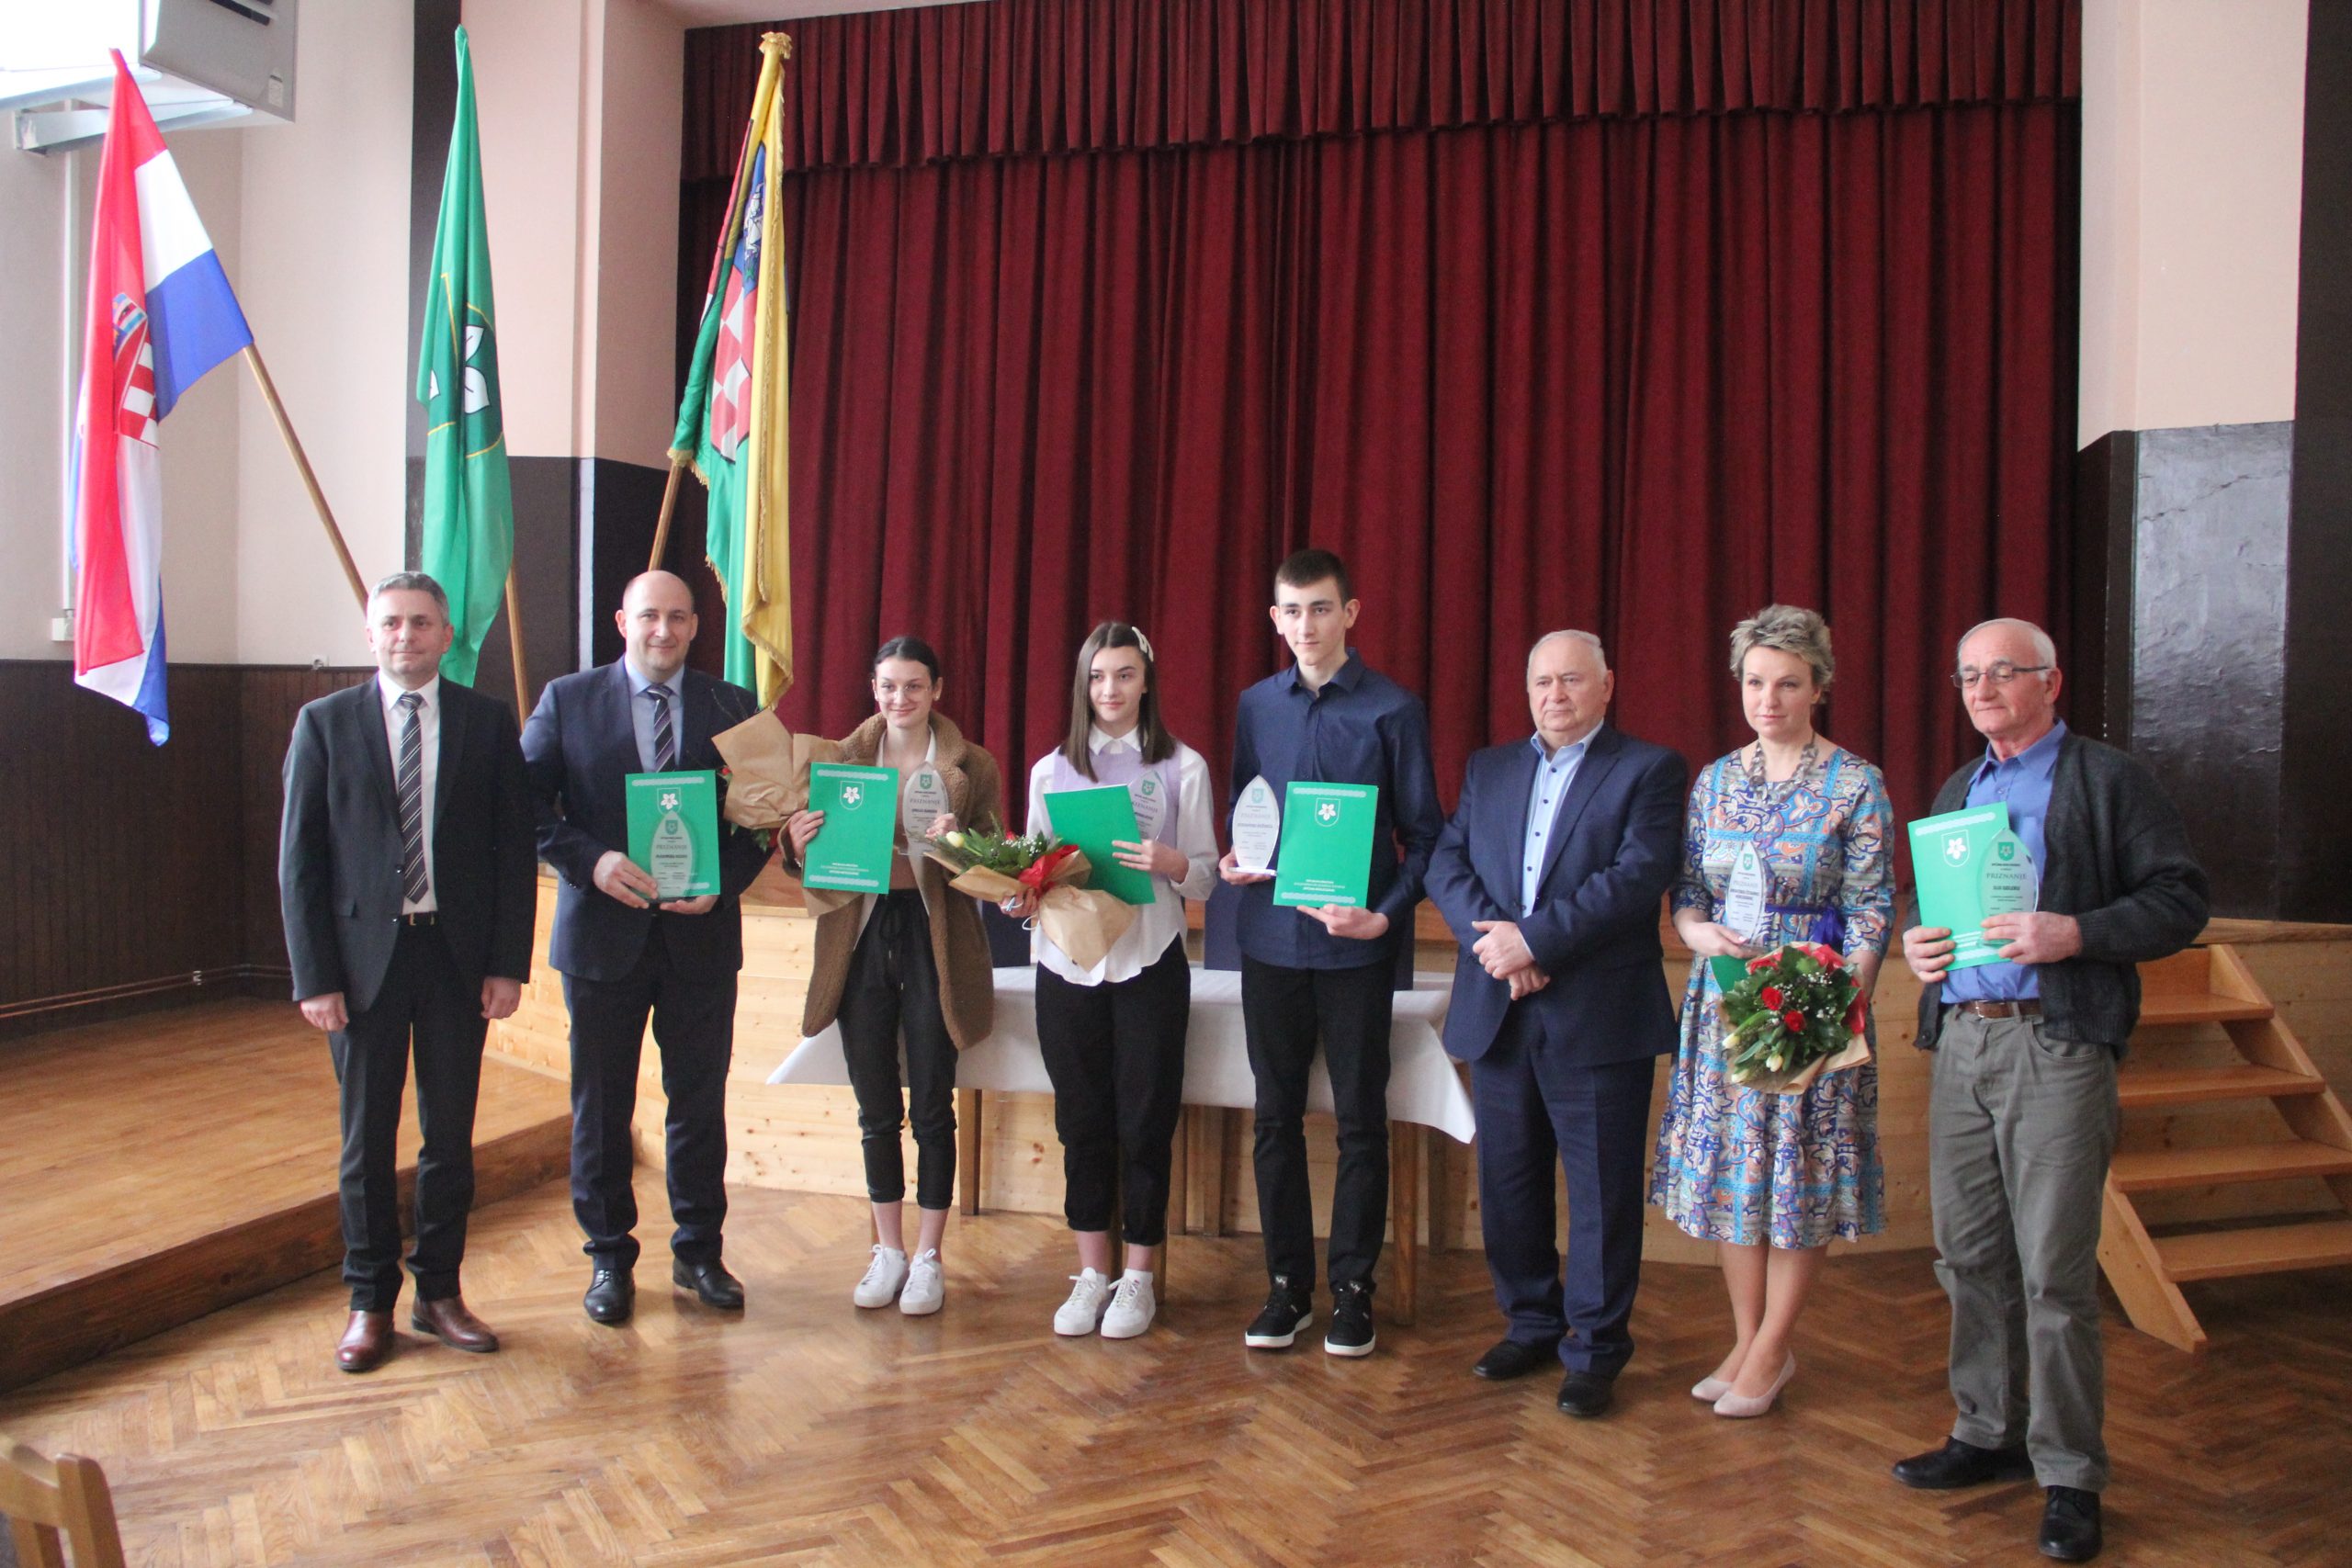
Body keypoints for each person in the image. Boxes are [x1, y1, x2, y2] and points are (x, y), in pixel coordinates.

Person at [1892, 617, 2208, 1564]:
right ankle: (1986, 1431)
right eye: (1967, 676)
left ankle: (2069, 1472)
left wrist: (2074, 933)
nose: (1982, 689)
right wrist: (1916, 940)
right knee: (1967, 1255)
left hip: (2057, 1047)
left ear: (2050, 682)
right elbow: (1931, 903)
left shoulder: (2106, 780)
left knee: (2055, 1276)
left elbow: (2179, 898)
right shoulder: (1961, 787)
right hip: (1962, 1046)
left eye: (2002, 673)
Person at [279, 571, 537, 1373]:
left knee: (449, 1137)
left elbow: (509, 851)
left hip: (456, 962)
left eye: (421, 623)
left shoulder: (486, 722)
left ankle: (440, 1291)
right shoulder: (323, 723)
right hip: (360, 968)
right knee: (365, 1142)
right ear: (370, 633)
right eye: (390, 622)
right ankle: (368, 1302)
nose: (406, 636)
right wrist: (314, 976)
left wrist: (506, 964)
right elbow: (301, 864)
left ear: (445, 631)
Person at [1425, 629, 1686, 1417]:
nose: (1555, 695)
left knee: (1603, 1194)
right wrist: (1502, 943)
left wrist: (1534, 940)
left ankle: (1595, 1349)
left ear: (1608, 684)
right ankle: (1531, 1321)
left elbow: (1636, 878)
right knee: (1508, 1183)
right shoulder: (1490, 767)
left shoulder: (1650, 769)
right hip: (1500, 1007)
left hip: (1598, 1016)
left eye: (1572, 679)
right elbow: (1447, 861)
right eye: (1542, 681)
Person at [1647, 605, 1894, 1418]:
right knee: (1737, 1174)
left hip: (1810, 997)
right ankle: (1747, 1340)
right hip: (1724, 996)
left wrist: (1835, 1011)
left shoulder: (1854, 781)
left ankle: (1774, 1344)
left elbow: (1869, 907)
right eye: (1755, 681)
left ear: (1818, 686)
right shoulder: (1715, 779)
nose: (1768, 698)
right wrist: (1690, 926)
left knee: (1798, 1176)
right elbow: (1687, 887)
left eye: (1787, 683)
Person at [520, 570, 771, 1326]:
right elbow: (524, 803)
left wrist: (721, 883)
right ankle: (607, 1255)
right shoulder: (568, 699)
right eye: (648, 616)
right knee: (602, 1106)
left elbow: (766, 814)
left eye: (678, 618)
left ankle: (699, 1251)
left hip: (700, 936)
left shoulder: (733, 707)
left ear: (697, 626)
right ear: (621, 620)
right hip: (602, 938)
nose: (662, 630)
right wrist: (590, 860)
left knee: (698, 1103)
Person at [1221, 548, 1444, 1358]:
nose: (1306, 625)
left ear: (1350, 613)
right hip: (1271, 945)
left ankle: (1353, 1289)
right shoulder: (1256, 706)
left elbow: (1425, 840)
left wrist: (1384, 918)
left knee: (1360, 1124)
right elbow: (1250, 816)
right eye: (1291, 611)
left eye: (1321, 608)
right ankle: (1287, 1286)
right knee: (1274, 1121)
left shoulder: (1393, 709)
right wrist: (1234, 860)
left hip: (1355, 955)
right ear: (1274, 620)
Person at [786, 636, 1002, 1316]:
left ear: (936, 689)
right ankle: (888, 1249)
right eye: (887, 686)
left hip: (935, 937)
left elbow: (997, 858)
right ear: (873, 689)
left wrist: (959, 841)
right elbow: (810, 859)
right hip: (860, 934)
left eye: (912, 686)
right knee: (875, 1104)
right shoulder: (840, 760)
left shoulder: (972, 764)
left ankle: (931, 1256)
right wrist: (794, 846)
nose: (898, 699)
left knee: (934, 1103)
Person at [1014, 623, 1216, 1340]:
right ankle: (1091, 1271)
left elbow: (1208, 877)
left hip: (1148, 962)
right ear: (1082, 684)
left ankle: (1138, 1277)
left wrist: (1170, 860)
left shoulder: (1182, 766)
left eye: (1124, 675)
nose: (1110, 690)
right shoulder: (1048, 771)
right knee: (1081, 1121)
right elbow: (1034, 870)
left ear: (1146, 681)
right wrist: (1020, 891)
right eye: (1098, 677)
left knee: (1145, 1121)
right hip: (1067, 965)